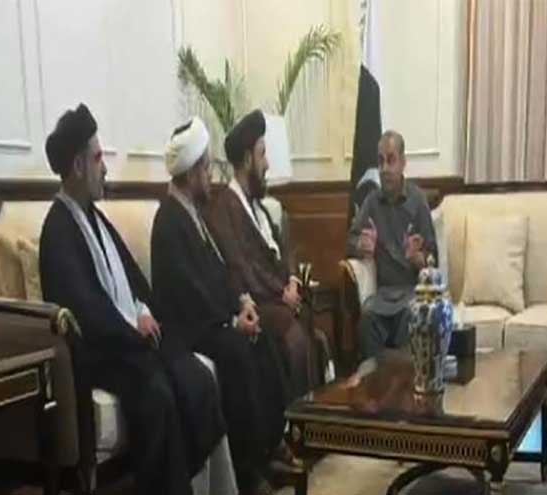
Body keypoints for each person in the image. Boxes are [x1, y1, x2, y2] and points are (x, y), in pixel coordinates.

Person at [39, 104, 230, 495]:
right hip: (99, 352)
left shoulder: (95, 218)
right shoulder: (58, 230)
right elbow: (86, 309)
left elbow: (132, 283)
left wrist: (143, 311)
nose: (105, 168)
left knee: (195, 375)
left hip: (127, 339)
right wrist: (133, 328)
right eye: (98, 158)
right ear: (78, 166)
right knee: (156, 393)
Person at [150, 116, 293, 494]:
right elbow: (189, 294)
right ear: (191, 173)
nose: (211, 176)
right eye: (206, 167)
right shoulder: (169, 221)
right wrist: (231, 322)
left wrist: (242, 302)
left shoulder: (193, 214)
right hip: (188, 329)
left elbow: (219, 272)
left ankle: (269, 445)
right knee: (237, 351)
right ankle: (247, 472)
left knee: (262, 337)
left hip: (211, 319)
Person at [204, 109, 327, 401]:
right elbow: (239, 267)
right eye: (262, 155)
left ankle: (316, 416)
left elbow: (285, 249)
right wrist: (280, 293)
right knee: (292, 335)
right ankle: (294, 420)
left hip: (280, 298)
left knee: (315, 333)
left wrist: (293, 280)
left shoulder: (259, 207)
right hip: (259, 304)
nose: (267, 164)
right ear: (248, 160)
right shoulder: (224, 209)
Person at [346, 130, 438, 361]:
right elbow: (350, 240)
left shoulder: (417, 200)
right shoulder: (372, 202)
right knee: (366, 319)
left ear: (403, 163)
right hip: (383, 296)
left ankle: (406, 380)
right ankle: (373, 380)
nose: (385, 169)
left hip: (411, 293)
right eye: (380, 161)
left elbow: (433, 258)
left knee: (415, 316)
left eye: (391, 160)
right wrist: (361, 245)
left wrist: (417, 258)